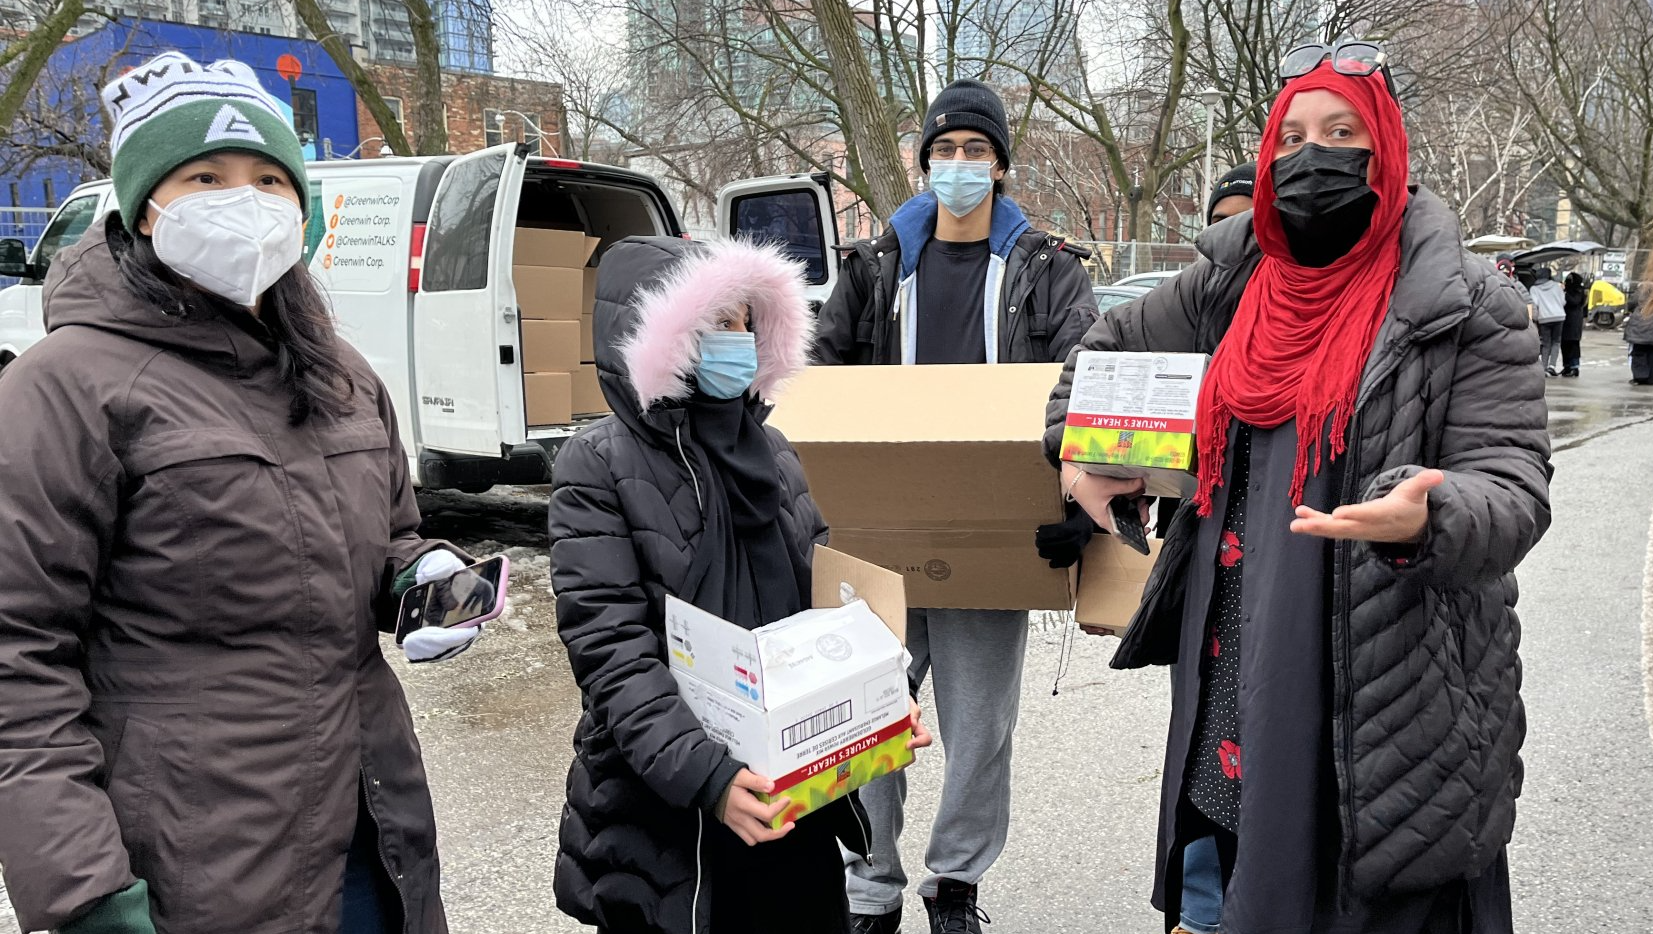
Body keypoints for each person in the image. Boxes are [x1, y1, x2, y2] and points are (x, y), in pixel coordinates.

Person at [1044, 43, 1548, 934]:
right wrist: (1079, 456)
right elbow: (1095, 359)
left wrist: (1427, 516)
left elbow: (1512, 489)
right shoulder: (1228, 286)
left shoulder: (1465, 302)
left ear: (1385, 148)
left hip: (1389, 683)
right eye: (1292, 138)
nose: (1312, 158)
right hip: (1237, 665)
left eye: (1342, 132)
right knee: (1230, 887)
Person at [0, 52, 474, 934]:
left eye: (268, 178)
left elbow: (389, 533)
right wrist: (82, 893)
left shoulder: (340, 374)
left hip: (375, 832)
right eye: (205, 177)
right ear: (143, 207)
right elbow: (15, 658)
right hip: (195, 864)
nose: (244, 200)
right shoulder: (62, 386)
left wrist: (422, 575)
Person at [547, 236, 932, 934]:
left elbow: (821, 605)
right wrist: (708, 779)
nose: (736, 339)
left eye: (742, 322)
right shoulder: (597, 464)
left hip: (793, 787)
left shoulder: (772, 452)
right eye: (714, 323)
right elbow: (610, 651)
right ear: (658, 335)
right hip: (671, 805)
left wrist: (880, 699)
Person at [814, 78, 1097, 934]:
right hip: (878, 538)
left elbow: (1084, 379)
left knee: (979, 735)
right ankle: (871, 886)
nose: (959, 166)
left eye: (976, 151)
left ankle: (955, 885)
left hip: (992, 535)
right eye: (944, 151)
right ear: (922, 161)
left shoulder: (1047, 270)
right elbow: (818, 380)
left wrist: (1081, 492)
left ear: (1001, 165)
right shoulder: (873, 266)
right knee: (865, 724)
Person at [1171, 160, 1258, 934]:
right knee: (1206, 766)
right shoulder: (1190, 311)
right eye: (1223, 230)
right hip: (1214, 579)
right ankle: (1200, 918)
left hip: (1293, 576)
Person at [1529, 266, 1566, 375]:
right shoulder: (1557, 286)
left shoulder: (1534, 289)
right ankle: (1552, 366)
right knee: (1556, 341)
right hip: (1559, 316)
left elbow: (1534, 304)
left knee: (1546, 343)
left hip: (1544, 318)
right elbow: (1563, 301)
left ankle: (1544, 367)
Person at [1625, 282, 1653, 385]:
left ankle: (1640, 377)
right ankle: (1650, 378)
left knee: (1638, 352)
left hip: (1639, 327)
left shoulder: (1643, 288)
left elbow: (1631, 303)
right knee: (1651, 353)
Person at [1561, 271, 1588, 377]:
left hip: (1573, 321)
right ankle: (1567, 366)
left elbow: (1574, 301)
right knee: (1565, 345)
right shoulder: (1577, 291)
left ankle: (1574, 366)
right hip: (1568, 320)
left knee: (1572, 344)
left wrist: (1565, 294)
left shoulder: (1577, 291)